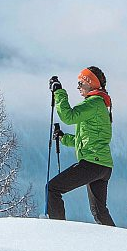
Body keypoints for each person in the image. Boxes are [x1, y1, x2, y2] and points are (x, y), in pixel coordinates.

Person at [46, 67, 115, 226]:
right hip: (102, 165)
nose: (78, 87)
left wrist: (59, 92)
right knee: (99, 212)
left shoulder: (94, 103)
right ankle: (118, 246)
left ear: (90, 83)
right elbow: (86, 139)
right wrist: (64, 138)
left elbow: (68, 117)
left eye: (80, 83)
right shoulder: (98, 104)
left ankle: (58, 233)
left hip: (93, 163)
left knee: (52, 189)